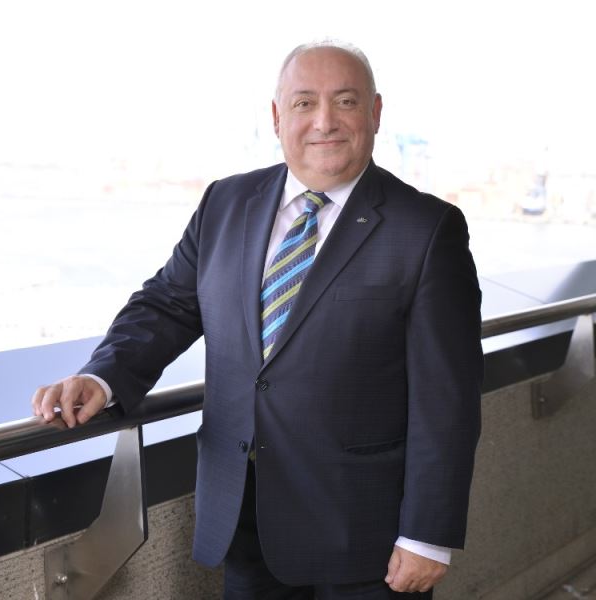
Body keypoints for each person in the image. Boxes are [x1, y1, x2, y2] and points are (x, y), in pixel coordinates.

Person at [32, 39, 482, 599]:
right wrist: (101, 377)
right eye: (304, 103)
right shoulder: (226, 203)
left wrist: (427, 535)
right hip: (244, 522)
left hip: (367, 536)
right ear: (276, 116)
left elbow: (448, 397)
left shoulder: (427, 228)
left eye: (345, 102)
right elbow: (168, 304)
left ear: (375, 112)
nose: (324, 121)